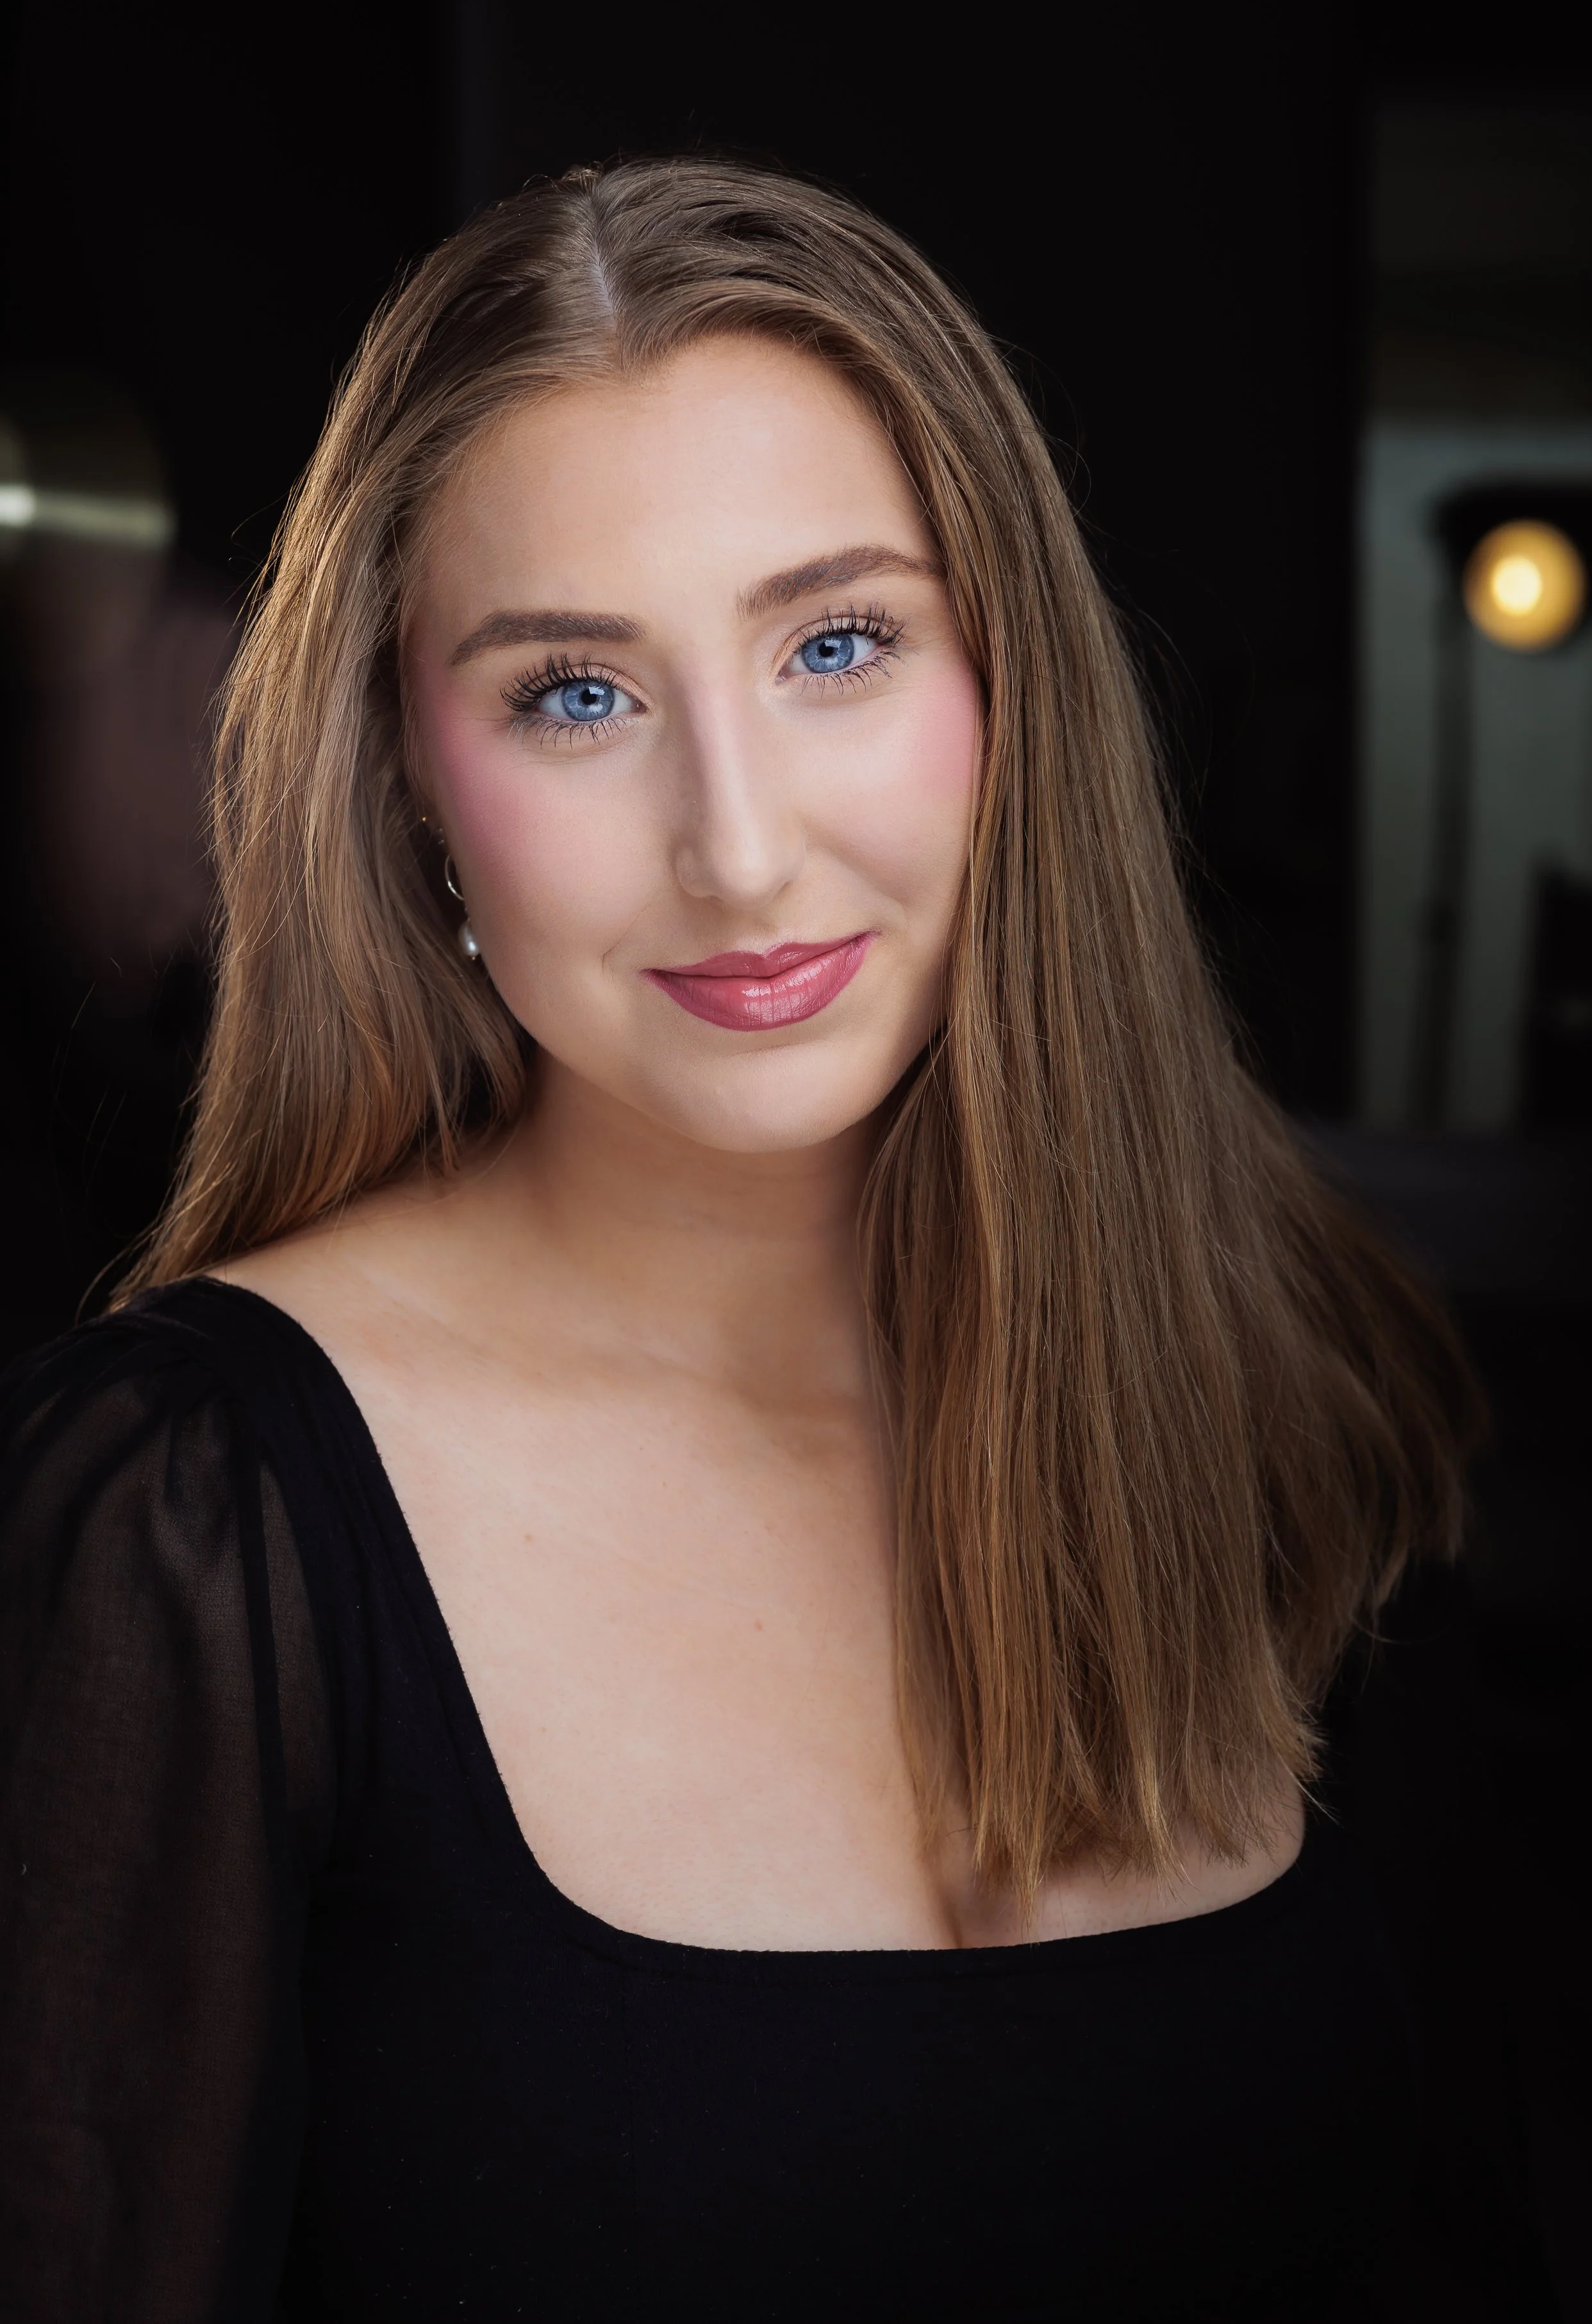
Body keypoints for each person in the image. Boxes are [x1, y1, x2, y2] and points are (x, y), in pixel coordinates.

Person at [0, 160, 1472, 2321]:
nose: (744, 845)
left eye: (838, 644)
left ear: (1010, 690)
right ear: (411, 784)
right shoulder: (194, 1524)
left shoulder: (1289, 1398)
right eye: (574, 695)